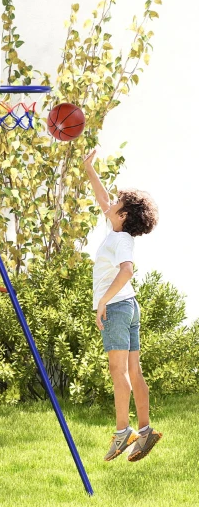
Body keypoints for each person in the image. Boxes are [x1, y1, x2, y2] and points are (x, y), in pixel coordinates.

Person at [83, 150, 161, 462]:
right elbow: (102, 197)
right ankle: (145, 432)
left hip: (116, 307)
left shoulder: (122, 241)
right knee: (132, 369)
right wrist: (89, 168)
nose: (110, 202)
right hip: (128, 305)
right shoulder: (116, 229)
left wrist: (102, 301)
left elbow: (127, 270)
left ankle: (122, 432)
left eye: (117, 203)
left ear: (124, 214)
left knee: (118, 370)